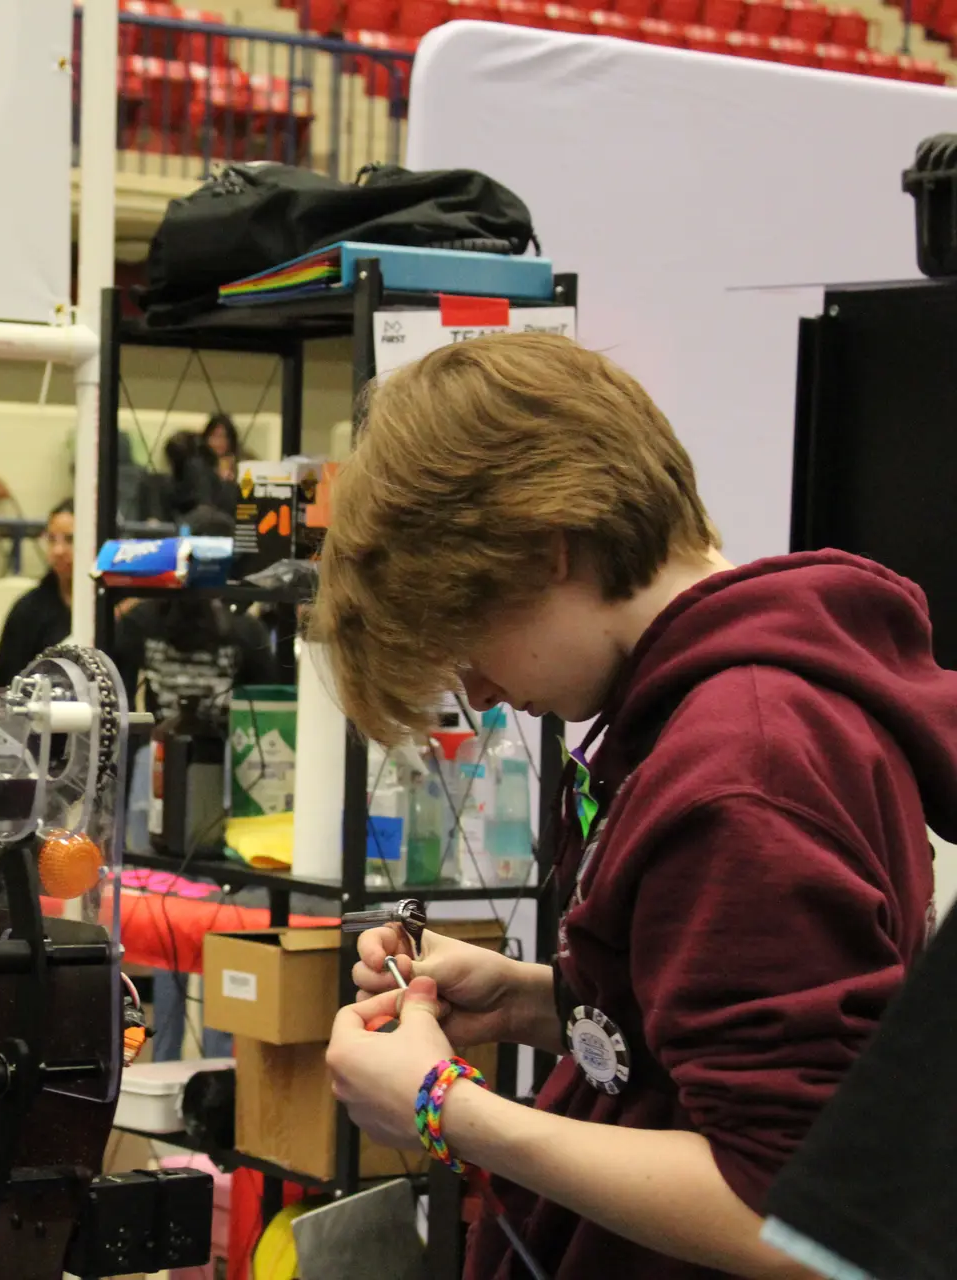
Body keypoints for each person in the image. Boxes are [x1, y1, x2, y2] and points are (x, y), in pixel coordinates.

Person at [309, 334, 956, 1279]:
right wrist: (542, 1000)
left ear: (549, 547)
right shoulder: (706, 715)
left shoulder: (745, 767)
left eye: (467, 634)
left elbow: (795, 1217)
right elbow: (705, 1045)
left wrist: (444, 1105)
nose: (482, 688)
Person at [113, 506, 282, 718]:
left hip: (223, 746)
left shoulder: (247, 633)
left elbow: (264, 716)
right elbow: (118, 707)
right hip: (156, 746)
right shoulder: (139, 623)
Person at [0, 500, 76, 686]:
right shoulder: (28, 611)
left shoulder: (117, 609)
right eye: (52, 539)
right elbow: (6, 685)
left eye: (70, 540)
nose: (58, 550)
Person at [201, 411, 246, 482]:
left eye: (224, 437)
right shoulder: (198, 465)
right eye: (214, 436)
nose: (219, 442)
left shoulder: (243, 462)